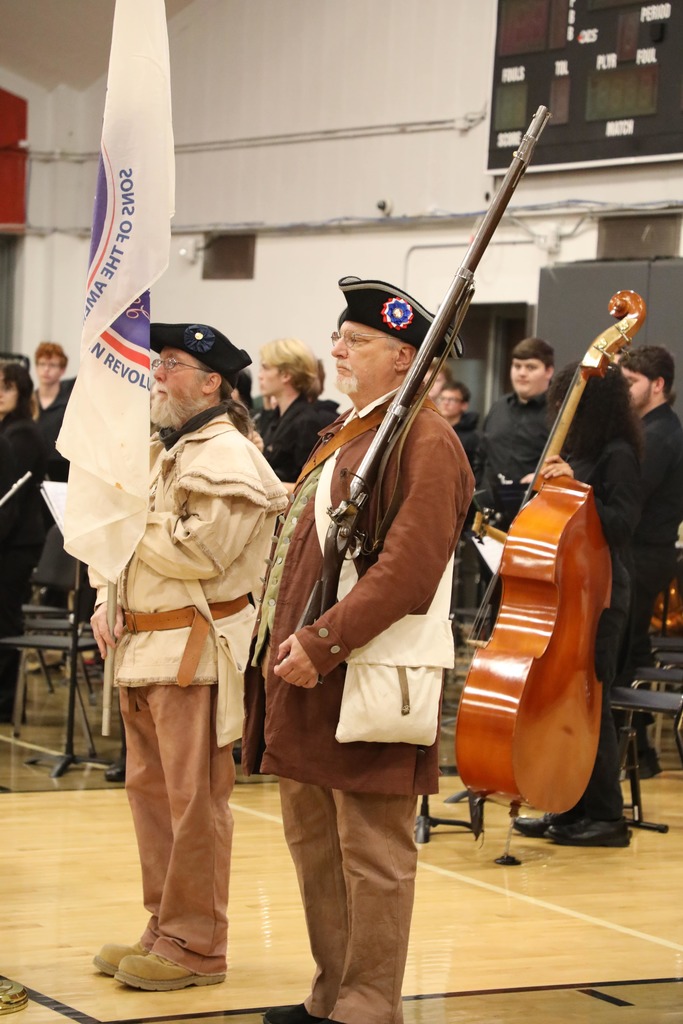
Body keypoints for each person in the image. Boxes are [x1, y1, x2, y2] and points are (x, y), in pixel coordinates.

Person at [242, 276, 474, 1024]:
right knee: (314, 840)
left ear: (405, 357)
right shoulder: (352, 430)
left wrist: (323, 641)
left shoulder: (424, 440)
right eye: (340, 337)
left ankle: (369, 1003)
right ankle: (330, 992)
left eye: (359, 340)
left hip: (361, 670)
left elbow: (408, 569)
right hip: (308, 672)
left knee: (372, 850)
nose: (338, 349)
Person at [89, 322, 288, 991]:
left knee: (193, 803)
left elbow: (199, 552)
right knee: (150, 798)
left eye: (171, 364)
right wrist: (105, 598)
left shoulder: (228, 456)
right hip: (145, 648)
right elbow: (125, 543)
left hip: (193, 654)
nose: (156, 375)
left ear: (211, 383)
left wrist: (128, 520)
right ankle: (164, 926)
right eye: (158, 362)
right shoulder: (162, 450)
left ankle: (197, 944)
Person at [514, 361, 642, 847]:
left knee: (592, 704)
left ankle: (608, 818)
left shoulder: (618, 454)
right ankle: (568, 808)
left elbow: (620, 525)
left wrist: (576, 487)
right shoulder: (580, 451)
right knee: (568, 704)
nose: (560, 409)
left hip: (602, 595)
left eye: (569, 400)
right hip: (573, 591)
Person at [617, 345, 683, 776]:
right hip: (642, 555)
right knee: (631, 649)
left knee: (623, 654)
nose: (623, 390)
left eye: (630, 382)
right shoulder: (649, 428)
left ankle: (632, 755)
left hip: (644, 556)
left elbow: (631, 494)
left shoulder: (659, 434)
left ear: (657, 385)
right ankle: (639, 755)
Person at [0, 361, 48, 722]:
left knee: (5, 620)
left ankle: (5, 703)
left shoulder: (23, 435)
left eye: (7, 387)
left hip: (16, 543)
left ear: (21, 393)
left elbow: (10, 500)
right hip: (8, 537)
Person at [474, 337, 554, 528]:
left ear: (548, 371)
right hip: (488, 517)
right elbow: (481, 455)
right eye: (517, 366)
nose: (522, 373)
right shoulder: (499, 407)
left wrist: (542, 477)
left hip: (535, 518)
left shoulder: (559, 412)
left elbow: (570, 464)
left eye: (531, 367)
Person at [256, 337, 326, 489]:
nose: (260, 376)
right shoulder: (276, 417)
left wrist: (263, 487)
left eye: (266, 368)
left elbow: (310, 486)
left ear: (286, 375)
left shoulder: (306, 421)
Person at [34, 342, 74, 483]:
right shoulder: (28, 402)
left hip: (63, 466)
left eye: (52, 365)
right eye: (42, 364)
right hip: (35, 465)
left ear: (62, 370)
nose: (46, 369)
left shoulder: (70, 401)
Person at [437, 380, 480, 467]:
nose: (445, 403)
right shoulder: (433, 428)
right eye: (442, 398)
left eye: (452, 400)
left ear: (464, 405)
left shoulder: (473, 437)